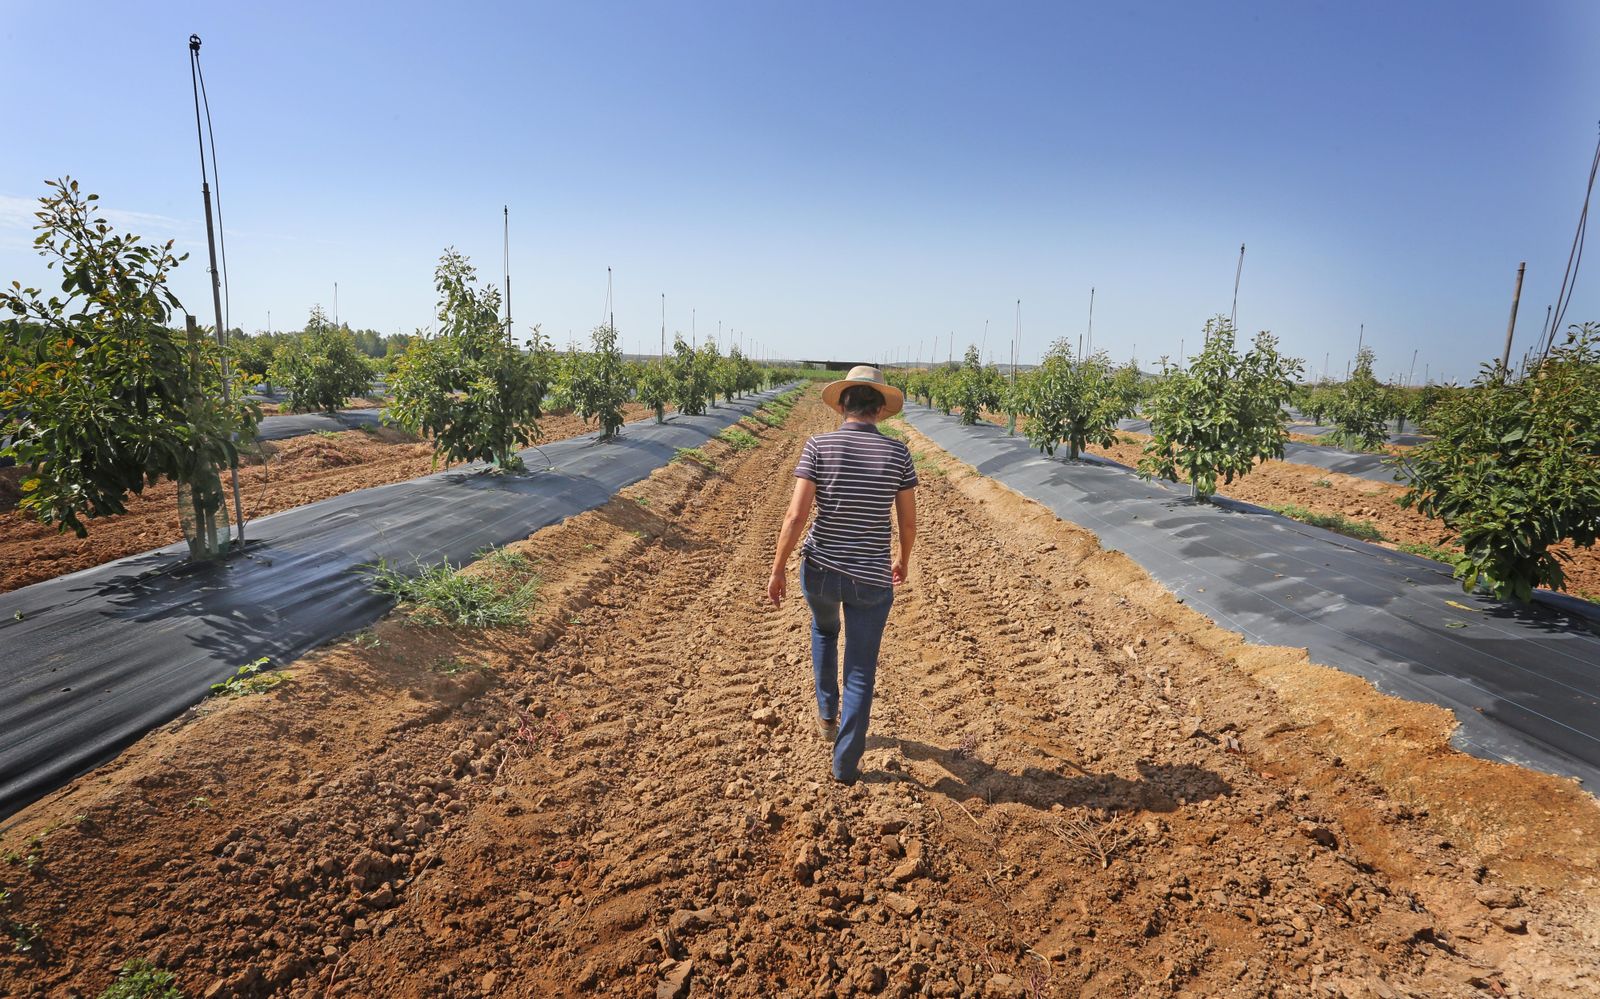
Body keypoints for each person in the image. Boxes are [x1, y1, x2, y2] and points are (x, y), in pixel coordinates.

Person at [768, 365, 917, 785]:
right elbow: (907, 523)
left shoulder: (818, 446)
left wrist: (778, 569)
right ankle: (845, 764)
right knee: (861, 670)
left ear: (843, 406)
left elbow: (796, 516)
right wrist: (903, 559)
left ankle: (826, 715)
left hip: (820, 570)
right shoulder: (898, 454)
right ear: (879, 410)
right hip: (871, 578)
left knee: (824, 629)